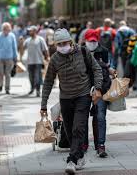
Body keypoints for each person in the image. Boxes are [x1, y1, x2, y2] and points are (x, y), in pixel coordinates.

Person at [40, 28, 103, 174]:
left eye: (64, 43)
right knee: (69, 131)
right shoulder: (55, 58)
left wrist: (98, 88)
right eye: (59, 44)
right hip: (66, 99)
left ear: (70, 41)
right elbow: (48, 81)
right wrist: (43, 105)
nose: (62, 46)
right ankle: (79, 156)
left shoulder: (83, 52)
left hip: (83, 95)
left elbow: (96, 69)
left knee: (78, 128)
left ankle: (72, 161)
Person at [83, 29, 114, 158]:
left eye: (94, 41)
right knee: (82, 118)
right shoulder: (80, 52)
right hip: (83, 89)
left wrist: (101, 88)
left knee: (100, 116)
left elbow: (106, 71)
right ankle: (83, 144)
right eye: (90, 41)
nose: (92, 43)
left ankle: (100, 145)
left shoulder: (104, 51)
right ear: (86, 40)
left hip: (100, 88)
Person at [0, 22, 17, 94]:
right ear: (3, 29)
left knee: (8, 74)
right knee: (0, 73)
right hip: (0, 58)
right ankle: (1, 84)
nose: (7, 31)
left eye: (8, 29)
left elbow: (14, 47)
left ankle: (7, 88)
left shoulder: (12, 36)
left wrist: (15, 57)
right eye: (5, 29)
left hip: (9, 58)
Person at [24, 26, 49, 97]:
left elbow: (45, 49)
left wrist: (47, 57)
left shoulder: (40, 39)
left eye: (30, 31)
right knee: (31, 77)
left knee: (37, 77)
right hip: (29, 62)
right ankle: (32, 88)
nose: (29, 32)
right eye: (29, 31)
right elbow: (22, 47)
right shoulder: (27, 40)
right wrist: (21, 41)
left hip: (38, 61)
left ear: (35, 31)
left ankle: (38, 90)